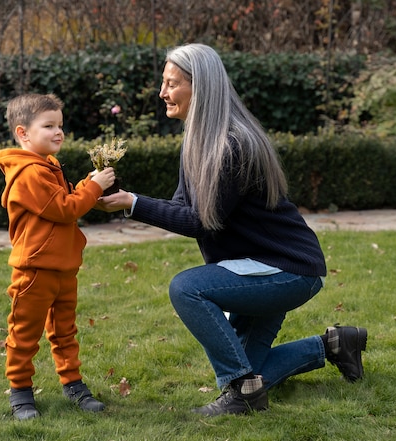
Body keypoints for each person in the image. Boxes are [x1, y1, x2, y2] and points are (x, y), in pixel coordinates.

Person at [97, 43, 367, 416]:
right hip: (259, 267)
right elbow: (182, 207)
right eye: (164, 83)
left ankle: (241, 394)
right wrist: (127, 200)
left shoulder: (231, 145)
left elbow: (201, 221)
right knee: (250, 371)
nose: (162, 93)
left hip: (286, 269)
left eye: (172, 83)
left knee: (187, 289)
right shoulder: (197, 139)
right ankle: (335, 344)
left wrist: (133, 204)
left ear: (201, 87)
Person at [0, 93, 115, 420]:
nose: (58, 132)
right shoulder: (28, 173)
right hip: (34, 271)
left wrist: (86, 183)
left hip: (63, 268)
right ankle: (20, 392)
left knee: (65, 331)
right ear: (23, 133)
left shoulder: (47, 165)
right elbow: (64, 210)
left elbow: (61, 201)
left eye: (60, 125)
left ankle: (73, 384)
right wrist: (95, 188)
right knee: (24, 334)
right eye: (48, 126)